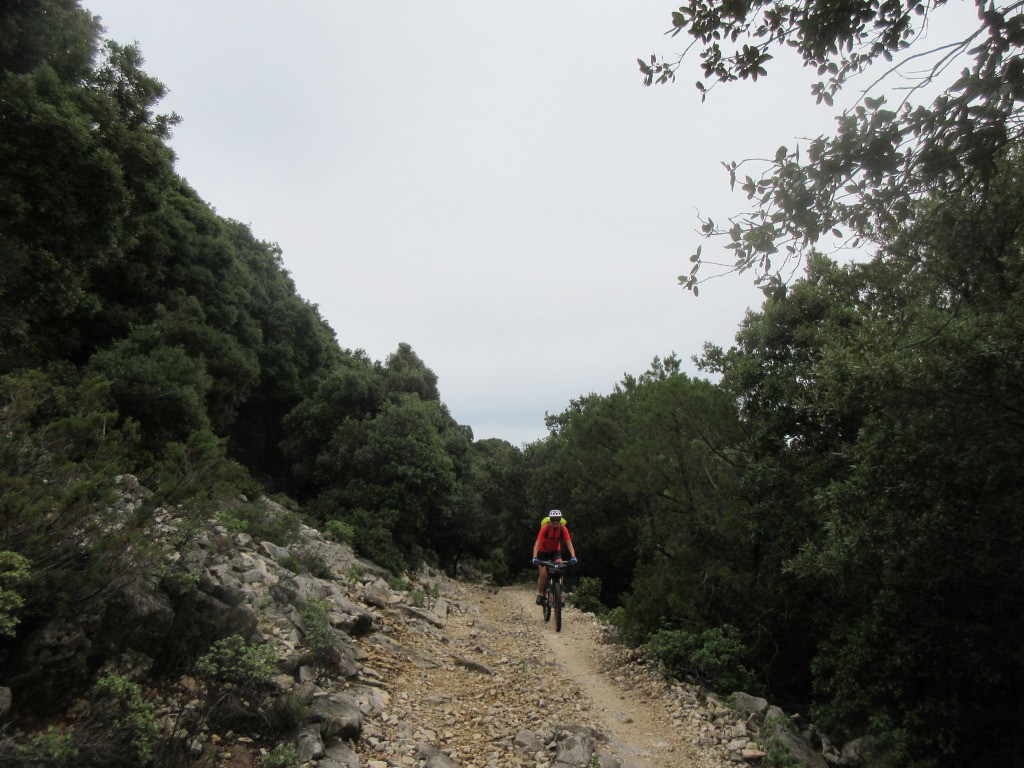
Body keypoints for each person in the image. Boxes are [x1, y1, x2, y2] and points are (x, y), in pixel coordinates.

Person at [532, 509, 577, 605]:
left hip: (555, 551)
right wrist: (535, 557)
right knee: (543, 574)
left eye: (558, 519)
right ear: (550, 520)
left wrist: (573, 556)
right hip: (542, 551)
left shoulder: (563, 529)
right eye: (553, 520)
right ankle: (540, 594)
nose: (556, 522)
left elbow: (569, 544)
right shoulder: (545, 528)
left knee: (560, 569)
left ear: (560, 520)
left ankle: (559, 595)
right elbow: (537, 543)